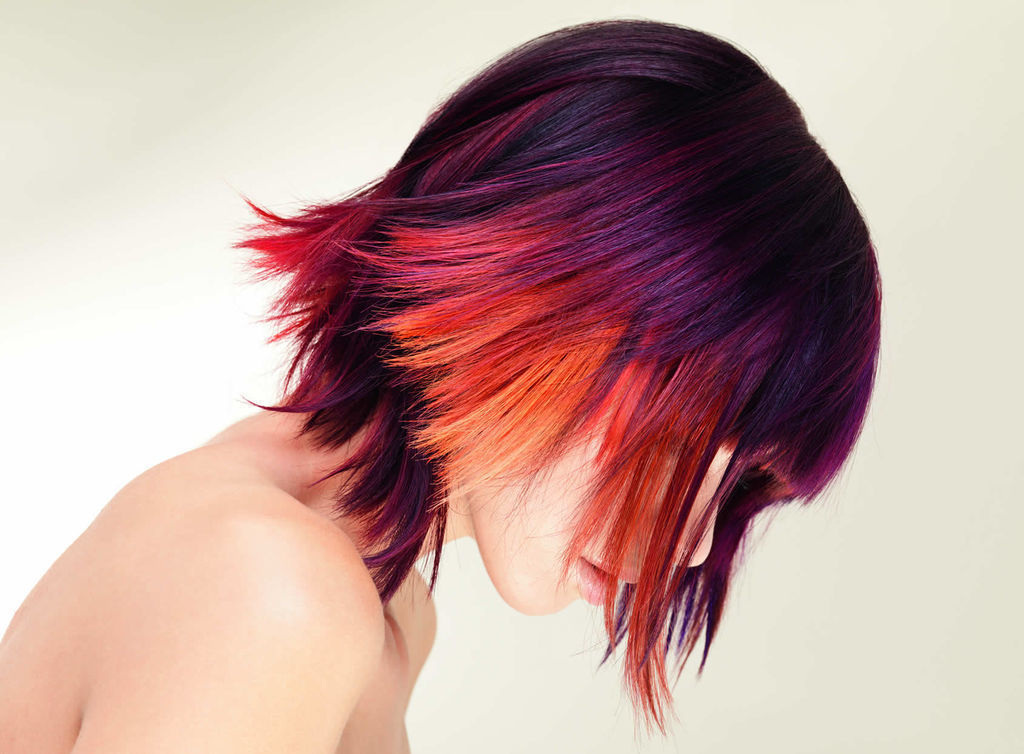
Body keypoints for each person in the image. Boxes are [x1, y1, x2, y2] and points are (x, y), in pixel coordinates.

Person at [0, 18, 882, 753]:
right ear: (538, 287)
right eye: (683, 439)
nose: (691, 548)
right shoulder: (275, 591)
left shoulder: (381, 601)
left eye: (737, 485)